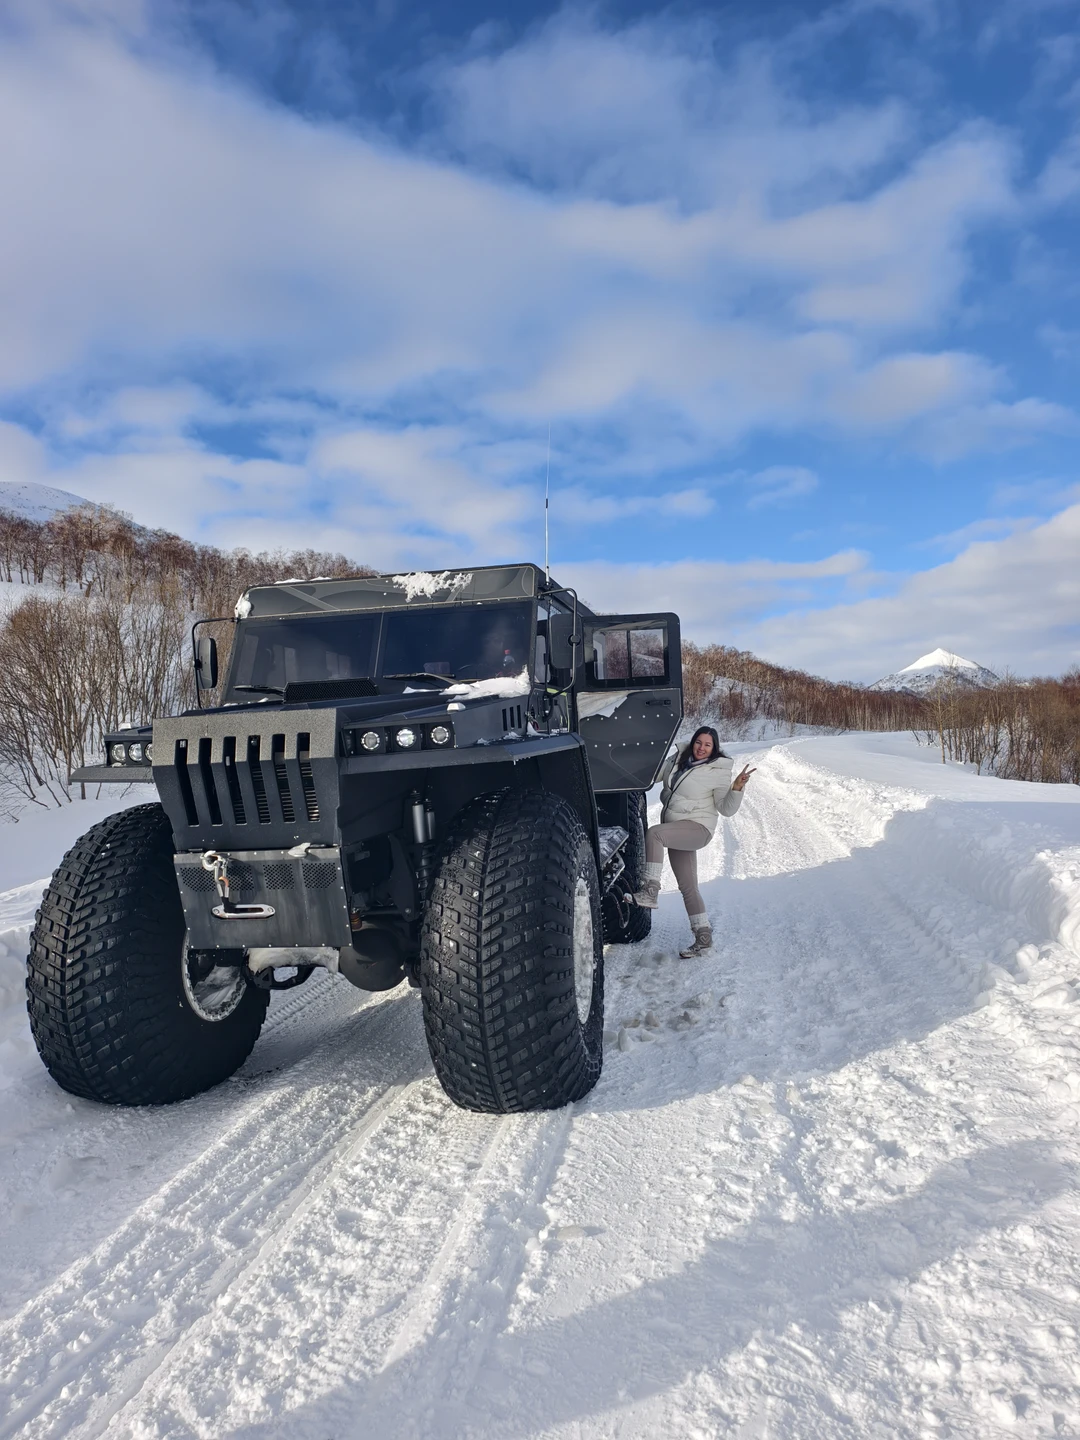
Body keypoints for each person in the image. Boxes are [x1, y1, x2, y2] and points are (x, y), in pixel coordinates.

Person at [632, 725, 755, 958]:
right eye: (699, 742)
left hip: (697, 829)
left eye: (708, 745)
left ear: (714, 748)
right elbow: (653, 775)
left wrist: (737, 788)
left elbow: (726, 809)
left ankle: (650, 891)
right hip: (677, 827)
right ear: (693, 742)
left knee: (654, 834)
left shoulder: (718, 770)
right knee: (688, 887)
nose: (701, 748)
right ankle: (703, 939)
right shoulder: (679, 759)